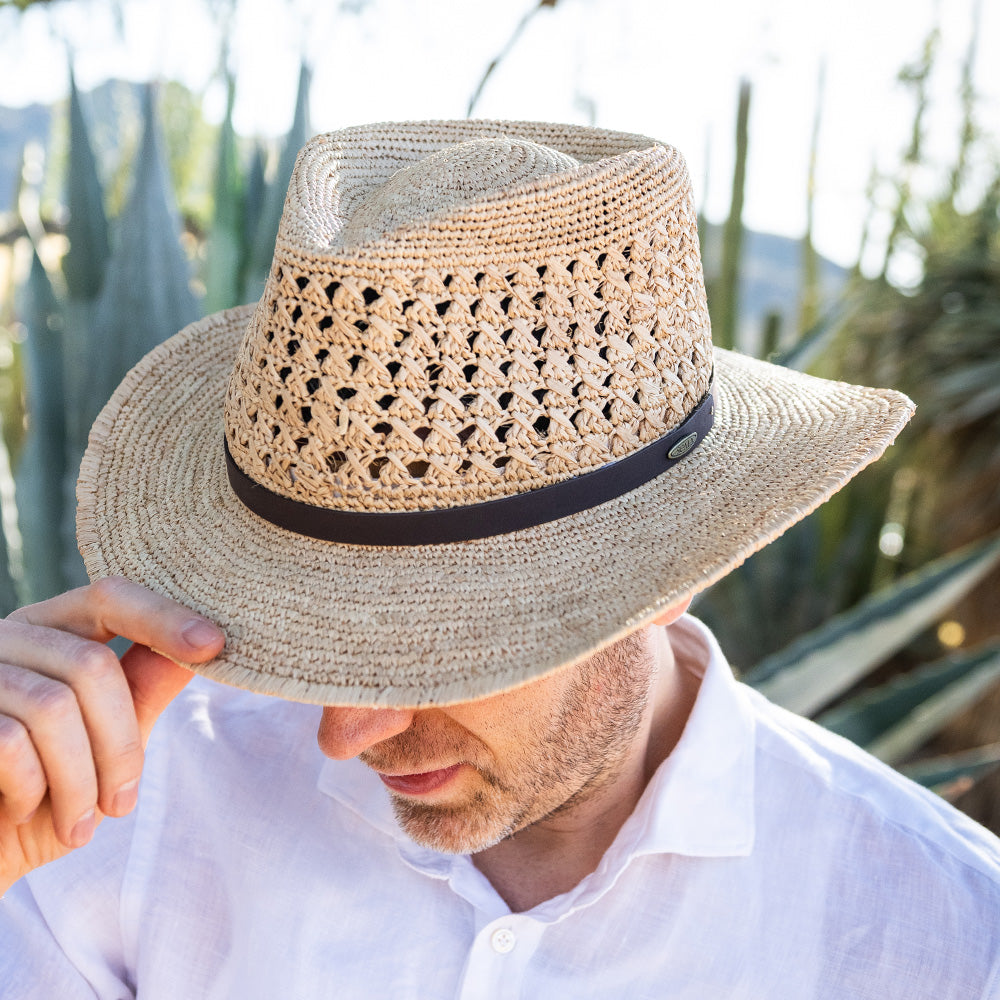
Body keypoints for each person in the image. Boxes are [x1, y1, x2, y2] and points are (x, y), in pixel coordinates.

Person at [0, 121, 998, 999]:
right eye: (314, 638)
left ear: (672, 578)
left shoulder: (945, 940)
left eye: (441, 652)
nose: (347, 732)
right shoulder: (124, 807)